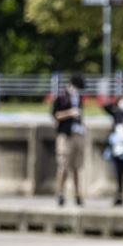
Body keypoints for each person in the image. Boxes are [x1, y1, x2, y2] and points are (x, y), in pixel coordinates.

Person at [51, 73, 86, 207]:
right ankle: (60, 193)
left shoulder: (79, 98)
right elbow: (56, 115)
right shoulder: (61, 98)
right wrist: (70, 113)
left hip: (78, 134)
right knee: (63, 166)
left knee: (77, 166)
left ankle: (78, 195)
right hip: (65, 135)